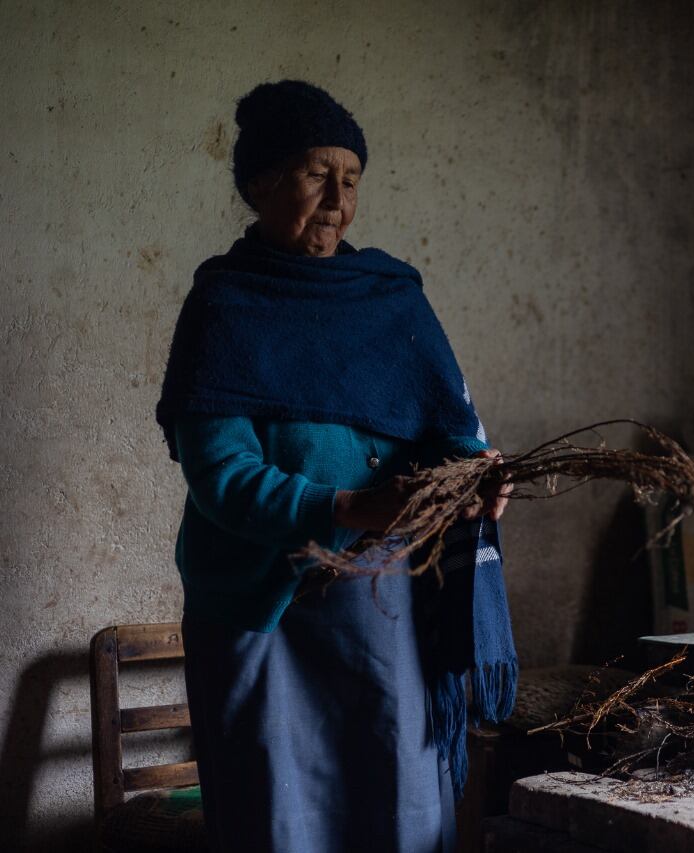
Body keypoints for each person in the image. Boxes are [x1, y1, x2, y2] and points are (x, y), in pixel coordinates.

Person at [155, 80, 516, 852]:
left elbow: (453, 431)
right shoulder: (226, 306)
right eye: (317, 173)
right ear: (259, 183)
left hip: (385, 612)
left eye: (350, 181)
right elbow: (219, 473)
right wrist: (349, 505)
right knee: (278, 817)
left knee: (397, 806)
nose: (336, 200)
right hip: (264, 611)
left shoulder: (389, 298)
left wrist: (478, 480)